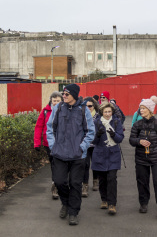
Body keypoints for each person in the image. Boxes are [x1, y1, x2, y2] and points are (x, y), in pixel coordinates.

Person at [46, 84, 96, 226]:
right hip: (59, 153)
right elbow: (50, 128)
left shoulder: (83, 110)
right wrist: (53, 145)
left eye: (67, 94)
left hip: (77, 155)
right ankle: (66, 203)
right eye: (64, 94)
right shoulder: (58, 108)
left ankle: (73, 212)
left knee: (75, 183)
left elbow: (90, 132)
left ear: (74, 94)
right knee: (59, 181)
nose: (64, 96)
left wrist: (82, 147)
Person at [129, 99, 157, 219]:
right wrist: (139, 141)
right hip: (141, 158)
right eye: (140, 108)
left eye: (143, 108)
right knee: (142, 181)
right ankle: (143, 203)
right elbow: (131, 140)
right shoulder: (137, 125)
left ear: (149, 109)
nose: (140, 110)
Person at [91, 102, 125, 215]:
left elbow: (120, 138)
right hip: (100, 153)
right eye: (105, 112)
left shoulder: (116, 121)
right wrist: (98, 135)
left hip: (113, 153)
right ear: (101, 112)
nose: (107, 114)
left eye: (109, 111)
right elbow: (93, 141)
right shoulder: (96, 122)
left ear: (112, 112)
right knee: (102, 179)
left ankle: (112, 204)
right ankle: (104, 199)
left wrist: (114, 134)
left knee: (112, 178)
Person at [34, 91, 63, 200]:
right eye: (54, 100)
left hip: (62, 144)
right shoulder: (46, 111)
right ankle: (55, 185)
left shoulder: (65, 111)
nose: (55, 103)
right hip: (49, 144)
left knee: (61, 165)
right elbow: (38, 127)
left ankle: (60, 183)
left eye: (58, 101)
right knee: (54, 165)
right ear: (51, 100)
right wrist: (37, 143)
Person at [81, 97, 99, 197]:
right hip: (86, 144)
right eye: (86, 106)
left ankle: (95, 180)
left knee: (95, 163)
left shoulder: (98, 116)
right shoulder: (82, 115)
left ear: (94, 106)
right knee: (85, 165)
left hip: (96, 144)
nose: (88, 108)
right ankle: (85, 185)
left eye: (90, 106)